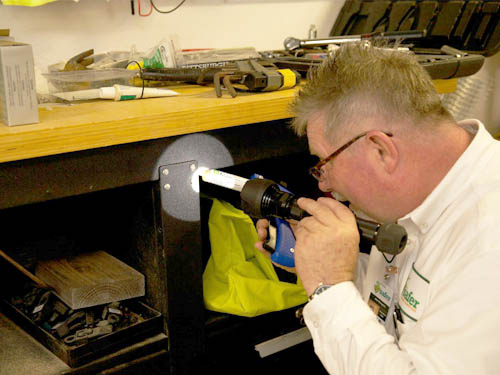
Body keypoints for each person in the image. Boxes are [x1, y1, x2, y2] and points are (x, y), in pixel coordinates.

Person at [255, 42, 500, 374]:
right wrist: (329, 262)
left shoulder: (487, 243)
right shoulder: (422, 194)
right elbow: (392, 307)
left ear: (381, 150)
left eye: (324, 163)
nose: (324, 185)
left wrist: (329, 287)